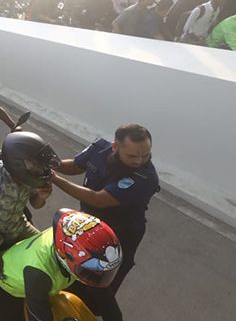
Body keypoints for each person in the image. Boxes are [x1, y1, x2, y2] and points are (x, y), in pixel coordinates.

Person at [50, 124, 159, 320]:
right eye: (133, 156)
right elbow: (75, 165)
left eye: (145, 155)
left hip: (120, 236)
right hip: (89, 226)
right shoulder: (100, 148)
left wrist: (53, 178)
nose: (140, 160)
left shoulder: (146, 177)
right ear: (115, 147)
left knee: (100, 289)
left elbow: (98, 199)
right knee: (74, 274)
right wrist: (50, 163)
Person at [0, 131, 58, 294]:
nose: (40, 169)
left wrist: (42, 196)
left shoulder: (29, 179)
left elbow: (35, 204)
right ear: (17, 164)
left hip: (17, 225)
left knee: (48, 252)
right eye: (34, 165)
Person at [0, 209, 122, 321]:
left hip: (51, 278)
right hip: (11, 284)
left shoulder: (70, 243)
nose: (98, 275)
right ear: (67, 257)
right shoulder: (39, 273)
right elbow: (39, 316)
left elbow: (103, 295)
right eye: (94, 271)